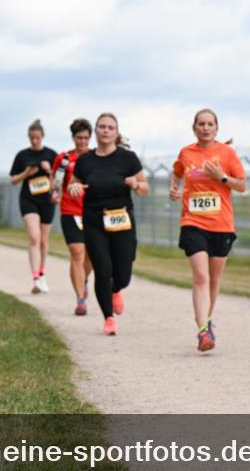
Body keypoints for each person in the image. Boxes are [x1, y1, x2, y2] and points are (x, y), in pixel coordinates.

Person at [170, 108, 246, 352]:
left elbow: (242, 185)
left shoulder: (227, 154)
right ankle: (203, 331)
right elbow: (177, 172)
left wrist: (222, 177)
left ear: (216, 128)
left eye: (209, 124)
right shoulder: (186, 153)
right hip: (193, 222)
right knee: (201, 277)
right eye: (201, 124)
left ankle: (208, 321)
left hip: (221, 224)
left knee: (214, 279)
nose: (205, 127)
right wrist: (175, 189)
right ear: (194, 128)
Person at [68, 113, 149, 335]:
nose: (105, 130)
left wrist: (136, 185)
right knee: (102, 270)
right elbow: (73, 185)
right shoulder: (85, 160)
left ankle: (116, 290)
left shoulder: (128, 158)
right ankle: (108, 318)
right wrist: (73, 189)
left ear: (116, 132)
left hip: (121, 218)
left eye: (110, 127)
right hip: (94, 219)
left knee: (123, 272)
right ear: (96, 131)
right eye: (101, 127)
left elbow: (144, 188)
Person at [51, 118, 94, 315]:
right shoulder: (64, 159)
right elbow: (56, 181)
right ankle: (80, 299)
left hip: (92, 211)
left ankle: (83, 280)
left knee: (91, 256)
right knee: (77, 253)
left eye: (86, 138)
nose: (83, 142)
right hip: (70, 210)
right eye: (79, 138)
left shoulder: (96, 157)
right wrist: (55, 192)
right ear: (73, 137)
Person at [10, 119, 58, 293]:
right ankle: (35, 278)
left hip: (47, 200)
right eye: (31, 138)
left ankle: (42, 273)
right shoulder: (22, 155)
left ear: (43, 136)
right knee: (34, 237)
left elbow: (59, 178)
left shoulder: (52, 154)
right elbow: (13, 180)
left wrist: (49, 171)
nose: (34, 141)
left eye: (37, 137)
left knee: (44, 240)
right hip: (28, 199)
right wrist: (26, 173)